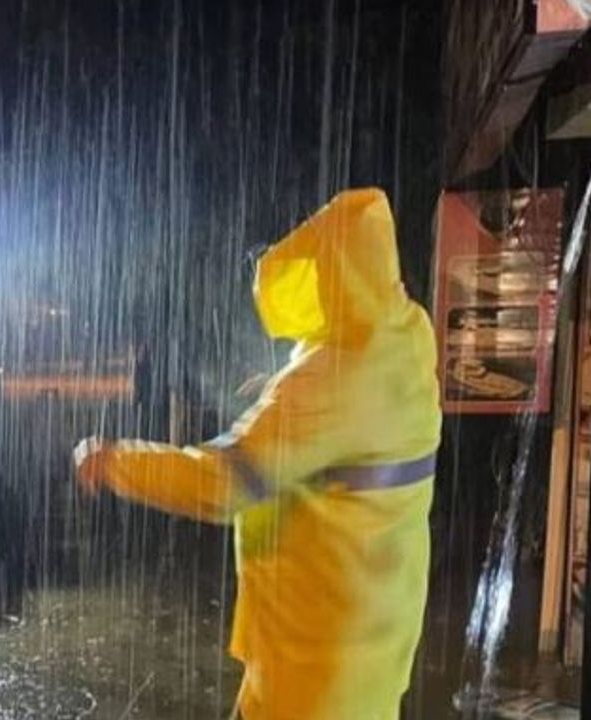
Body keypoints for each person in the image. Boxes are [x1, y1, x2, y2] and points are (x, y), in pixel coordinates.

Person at [74, 189, 441, 719]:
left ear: (333, 277)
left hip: (313, 660)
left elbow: (222, 484)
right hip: (374, 639)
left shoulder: (330, 377)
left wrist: (114, 461)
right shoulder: (404, 335)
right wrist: (282, 397)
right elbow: (356, 428)